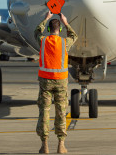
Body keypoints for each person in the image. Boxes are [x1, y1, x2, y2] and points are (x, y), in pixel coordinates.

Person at [34, 10, 78, 154]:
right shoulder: (65, 42)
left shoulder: (43, 41)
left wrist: (46, 18)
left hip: (45, 82)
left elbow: (37, 32)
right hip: (60, 82)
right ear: (59, 29)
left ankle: (44, 145)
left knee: (44, 112)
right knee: (61, 112)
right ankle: (61, 144)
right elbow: (74, 35)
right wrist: (65, 22)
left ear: (48, 29)